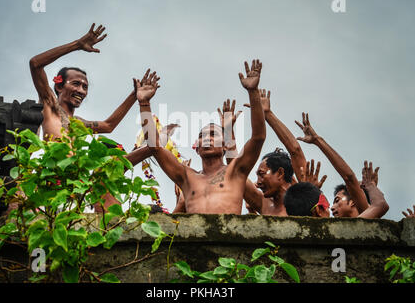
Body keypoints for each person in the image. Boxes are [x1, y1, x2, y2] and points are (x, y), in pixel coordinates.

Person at [29, 23, 152, 212]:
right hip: (47, 181)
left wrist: (134, 95)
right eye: (76, 84)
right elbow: (35, 64)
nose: (81, 90)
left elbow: (109, 125)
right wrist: (77, 45)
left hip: (72, 189)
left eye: (85, 87)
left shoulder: (79, 124)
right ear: (59, 86)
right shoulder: (50, 106)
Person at [137, 60, 266, 214]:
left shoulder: (236, 172)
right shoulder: (187, 177)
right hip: (195, 238)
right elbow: (154, 146)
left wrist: (253, 92)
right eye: (201, 135)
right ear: (196, 148)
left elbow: (258, 137)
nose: (206, 138)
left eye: (213, 134)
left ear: (225, 145)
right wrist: (144, 103)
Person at [295, 113, 389, 218]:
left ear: (353, 202)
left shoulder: (366, 218)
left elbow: (349, 178)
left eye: (337, 200)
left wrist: (318, 140)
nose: (331, 207)